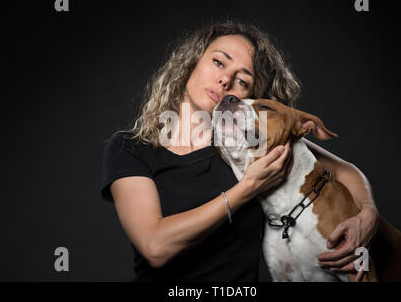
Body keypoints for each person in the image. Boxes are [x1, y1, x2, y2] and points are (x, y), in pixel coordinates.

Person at [101, 20, 379, 282]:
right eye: (218, 62)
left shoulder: (250, 145)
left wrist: (368, 216)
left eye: (242, 80)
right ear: (191, 62)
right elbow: (155, 246)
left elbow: (343, 171)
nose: (225, 80)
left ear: (248, 97)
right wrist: (246, 188)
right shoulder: (131, 147)